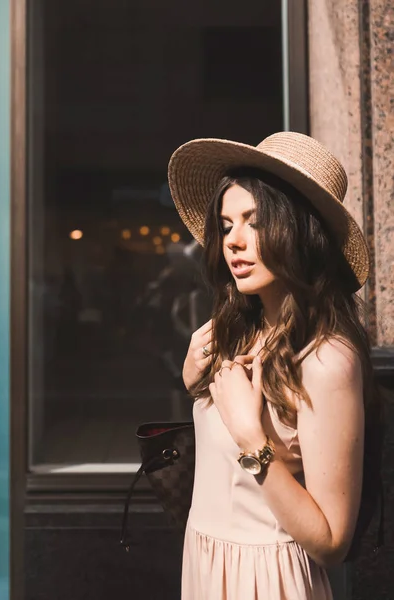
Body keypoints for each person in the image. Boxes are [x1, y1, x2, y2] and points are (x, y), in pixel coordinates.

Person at [167, 132, 381, 600]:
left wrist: (253, 440)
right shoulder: (242, 332)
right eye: (226, 225)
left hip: (268, 581)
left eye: (254, 222)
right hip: (207, 566)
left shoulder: (327, 360)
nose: (234, 242)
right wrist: (196, 386)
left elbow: (331, 543)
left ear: (300, 231)